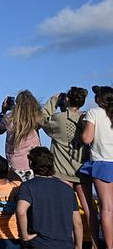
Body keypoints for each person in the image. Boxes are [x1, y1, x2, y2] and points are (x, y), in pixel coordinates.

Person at [41, 87, 98, 249]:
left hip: (62, 172)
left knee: (67, 211)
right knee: (89, 210)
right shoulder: (88, 119)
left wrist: (53, 101)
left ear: (67, 100)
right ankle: (94, 244)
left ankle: (72, 244)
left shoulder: (58, 119)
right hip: (82, 171)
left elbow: (41, 119)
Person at [15, 147, 81, 249]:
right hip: (65, 244)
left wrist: (24, 236)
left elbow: (21, 211)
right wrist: (79, 246)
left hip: (39, 243)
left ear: (31, 163)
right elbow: (77, 222)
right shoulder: (67, 189)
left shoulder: (28, 186)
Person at [80, 85, 113, 249]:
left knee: (106, 209)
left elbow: (87, 138)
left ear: (100, 99)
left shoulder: (94, 112)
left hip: (102, 163)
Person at [0, 90, 42, 179]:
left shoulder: (9, 118)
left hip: (14, 166)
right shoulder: (36, 118)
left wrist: (3, 112)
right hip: (33, 163)